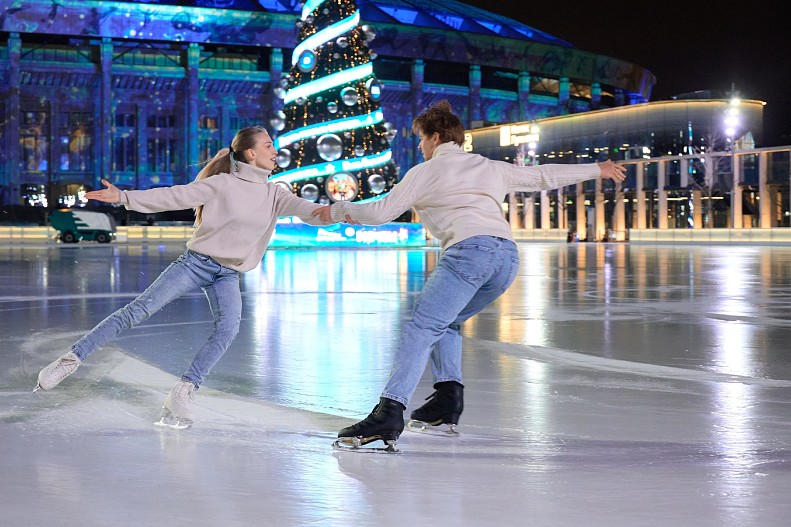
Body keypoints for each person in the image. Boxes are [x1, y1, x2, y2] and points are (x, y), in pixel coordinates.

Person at [314, 101, 626, 450]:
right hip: (506, 258)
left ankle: (389, 411)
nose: (420, 146)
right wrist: (597, 168)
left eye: (422, 139)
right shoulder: (489, 166)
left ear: (435, 137)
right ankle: (447, 400)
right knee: (447, 323)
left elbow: (379, 213)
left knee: (422, 328)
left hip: (469, 252)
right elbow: (542, 176)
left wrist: (337, 210)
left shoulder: (425, 171)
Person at [35, 126, 332, 429]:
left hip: (228, 274)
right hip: (195, 264)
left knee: (228, 329)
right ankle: (70, 360)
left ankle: (183, 391)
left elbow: (313, 211)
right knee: (138, 311)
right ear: (251, 153)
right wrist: (124, 197)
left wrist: (346, 212)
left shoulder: (275, 194)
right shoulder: (222, 183)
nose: (275, 151)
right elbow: (173, 196)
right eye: (268, 145)